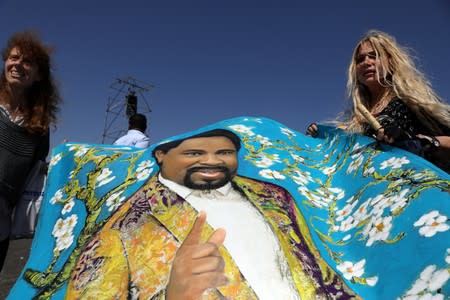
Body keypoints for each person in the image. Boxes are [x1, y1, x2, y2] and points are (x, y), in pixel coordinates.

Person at [66, 129, 356, 299]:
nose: (212, 161)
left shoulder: (275, 197)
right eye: (194, 153)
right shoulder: (120, 229)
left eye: (224, 153)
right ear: (160, 155)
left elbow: (319, 271)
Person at [307, 30, 450, 173]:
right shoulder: (357, 120)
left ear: (391, 61)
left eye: (373, 56)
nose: (366, 63)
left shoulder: (413, 101)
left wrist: (425, 142)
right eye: (360, 59)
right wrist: (320, 135)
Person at [0, 31, 61, 271]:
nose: (17, 64)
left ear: (38, 75)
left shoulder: (39, 129)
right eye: (13, 58)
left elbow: (32, 176)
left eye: (27, 61)